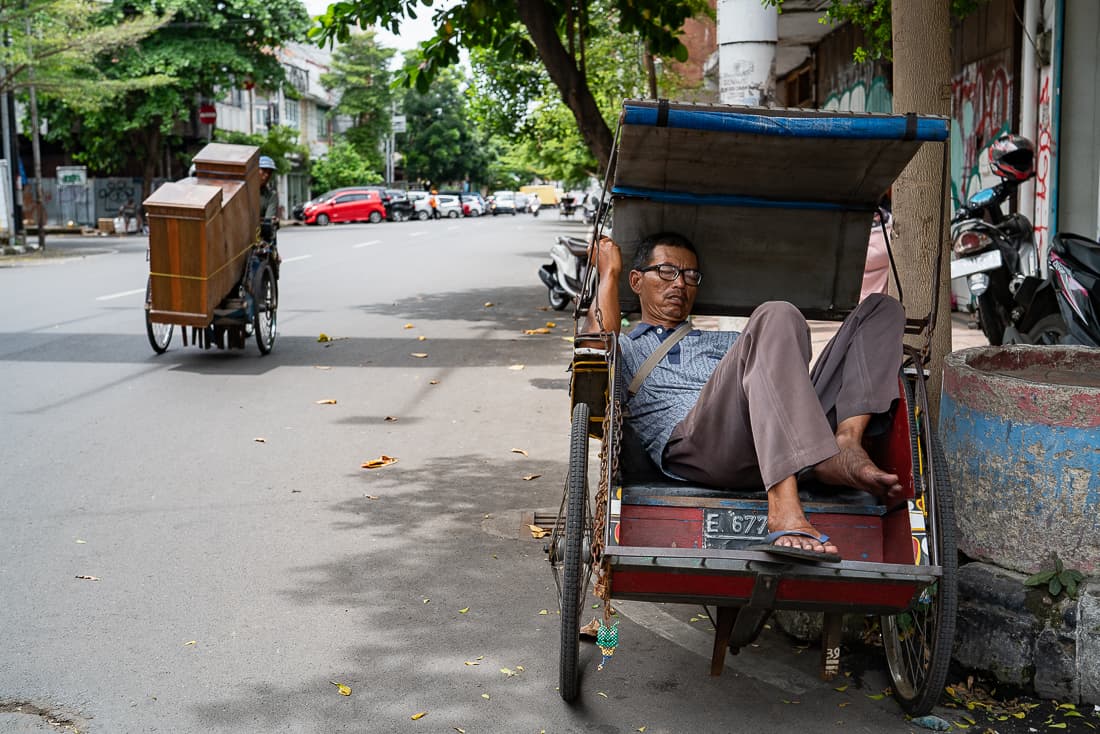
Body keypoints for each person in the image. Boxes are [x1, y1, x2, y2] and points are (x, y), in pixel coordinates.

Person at [588, 231, 906, 561]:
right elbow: (595, 346)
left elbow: (780, 374)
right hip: (702, 444)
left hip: (779, 432)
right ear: (636, 281)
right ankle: (783, 506)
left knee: (880, 310)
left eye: (690, 276)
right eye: (667, 271)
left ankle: (845, 441)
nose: (680, 284)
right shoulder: (628, 347)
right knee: (776, 313)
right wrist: (609, 272)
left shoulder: (729, 341)